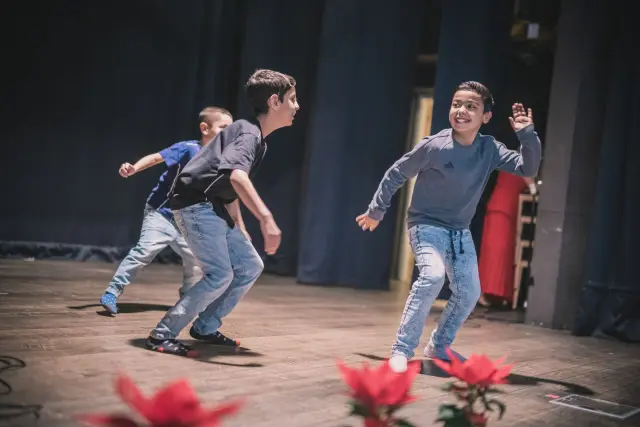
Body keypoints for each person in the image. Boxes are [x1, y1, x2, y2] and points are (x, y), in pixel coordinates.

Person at [356, 81, 541, 373]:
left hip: (459, 232)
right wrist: (376, 210)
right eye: (456, 104)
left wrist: (526, 135)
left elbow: (527, 168)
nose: (461, 110)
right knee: (432, 277)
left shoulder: (489, 148)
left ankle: (439, 346)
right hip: (425, 226)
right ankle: (402, 349)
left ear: (486, 116)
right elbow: (396, 173)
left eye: (471, 106)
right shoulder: (434, 146)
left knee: (469, 292)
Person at [145, 69, 299, 357]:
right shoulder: (248, 132)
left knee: (251, 265)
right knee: (219, 274)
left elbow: (228, 186)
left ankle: (205, 326)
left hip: (212, 206)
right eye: (292, 99)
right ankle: (161, 335)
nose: (297, 106)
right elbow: (237, 176)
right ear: (274, 101)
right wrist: (266, 219)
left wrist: (240, 227)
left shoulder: (255, 137)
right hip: (194, 204)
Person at [100, 107, 234, 316]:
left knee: (196, 262)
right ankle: (112, 292)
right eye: (223, 128)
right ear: (205, 128)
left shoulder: (223, 160)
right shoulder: (188, 148)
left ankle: (188, 301)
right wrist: (134, 168)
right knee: (144, 251)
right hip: (161, 213)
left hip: (188, 222)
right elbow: (156, 158)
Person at [477, 172, 537, 307]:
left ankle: (495, 293)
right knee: (497, 252)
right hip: (504, 207)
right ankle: (485, 292)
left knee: (499, 253)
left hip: (504, 206)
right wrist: (534, 187)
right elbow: (529, 181)